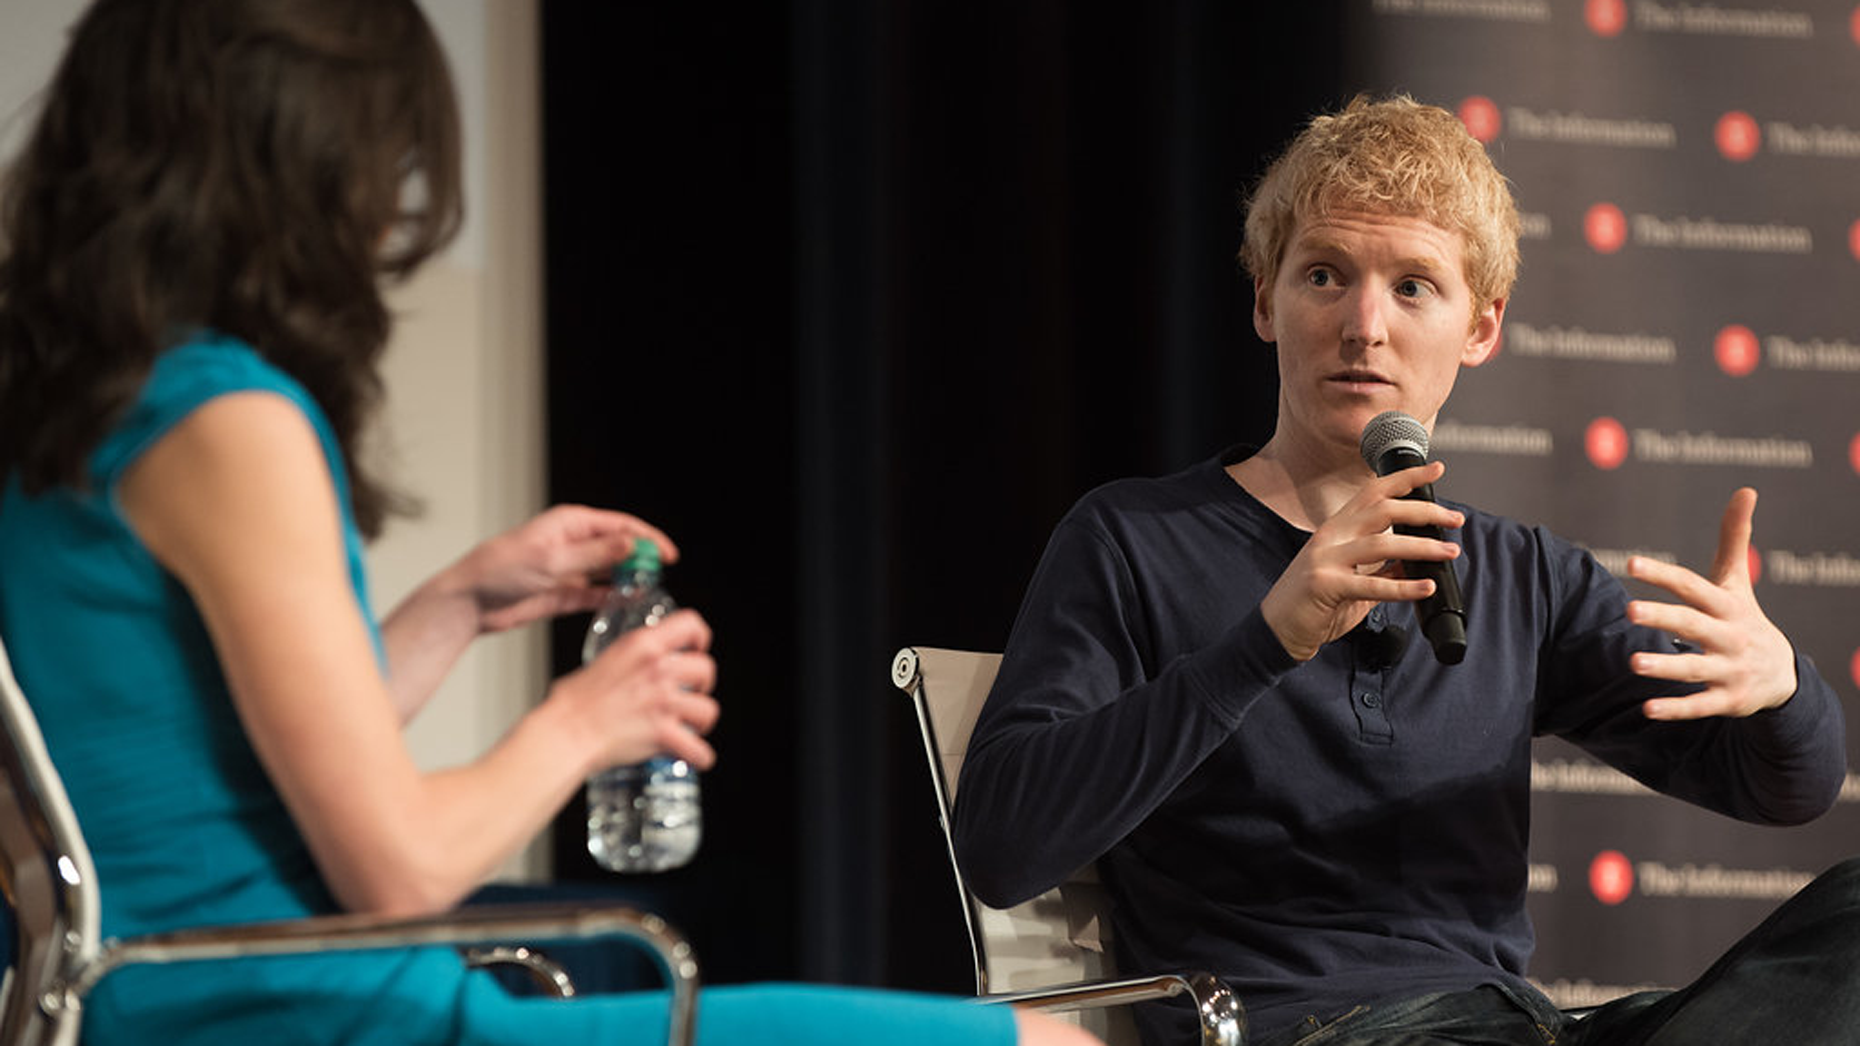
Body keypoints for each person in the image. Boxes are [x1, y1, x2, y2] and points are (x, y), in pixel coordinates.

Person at [0, 2, 1099, 1045]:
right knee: (1048, 1039)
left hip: (186, 1004)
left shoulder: (82, 409)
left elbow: (239, 773)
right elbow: (398, 866)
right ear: (302, 152)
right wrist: (584, 721)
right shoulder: (229, 416)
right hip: (326, 1016)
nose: (390, 203)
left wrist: (457, 603)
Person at [951, 94, 1857, 1046]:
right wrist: (1265, 644)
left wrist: (1780, 686)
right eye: (1326, 276)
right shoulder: (1134, 539)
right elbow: (1004, 847)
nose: (1364, 326)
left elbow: (1783, 788)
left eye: (1414, 287)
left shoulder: (1520, 576)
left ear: (1483, 327)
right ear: (1265, 299)